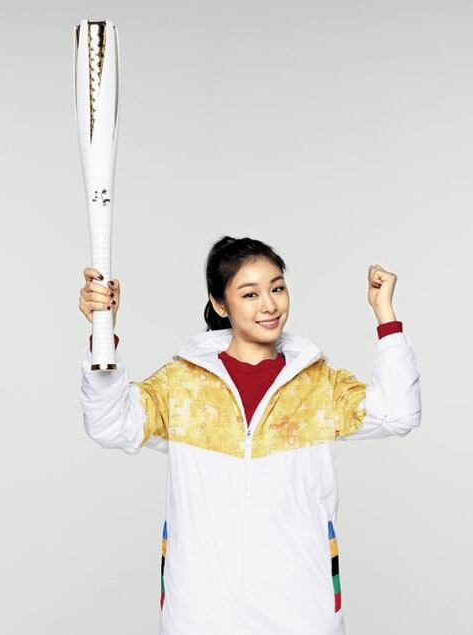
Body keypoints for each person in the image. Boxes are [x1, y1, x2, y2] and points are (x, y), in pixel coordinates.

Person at [78, 235, 422, 635]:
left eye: (277, 288)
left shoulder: (319, 385)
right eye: (250, 294)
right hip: (200, 612)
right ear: (219, 303)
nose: (269, 305)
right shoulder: (181, 384)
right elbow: (109, 425)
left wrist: (385, 315)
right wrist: (103, 334)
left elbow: (398, 413)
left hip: (301, 611)